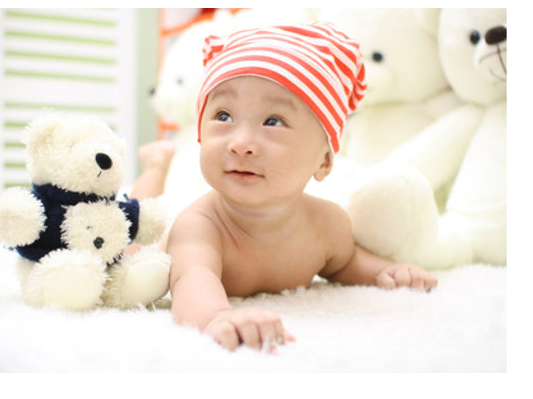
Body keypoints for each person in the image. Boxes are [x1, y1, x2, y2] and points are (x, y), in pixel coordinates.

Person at [166, 22, 438, 352]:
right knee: (145, 209)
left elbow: (346, 262)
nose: (240, 144)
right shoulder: (200, 226)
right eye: (223, 116)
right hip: (167, 226)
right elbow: (191, 279)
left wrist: (390, 272)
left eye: (273, 122)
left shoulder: (327, 225)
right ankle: (157, 167)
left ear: (323, 161)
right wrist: (216, 317)